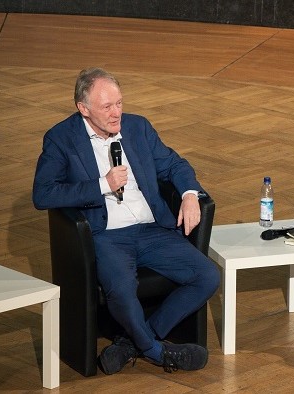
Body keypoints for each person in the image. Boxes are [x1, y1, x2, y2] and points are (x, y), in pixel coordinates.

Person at [33, 67, 220, 374]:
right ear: (84, 108)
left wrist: (189, 194)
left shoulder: (138, 128)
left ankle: (130, 344)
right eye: (107, 106)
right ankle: (159, 353)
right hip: (107, 236)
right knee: (121, 289)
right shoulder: (61, 139)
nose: (116, 112)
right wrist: (102, 185)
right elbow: (43, 194)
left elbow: (175, 164)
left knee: (207, 276)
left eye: (119, 103)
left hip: (152, 229)